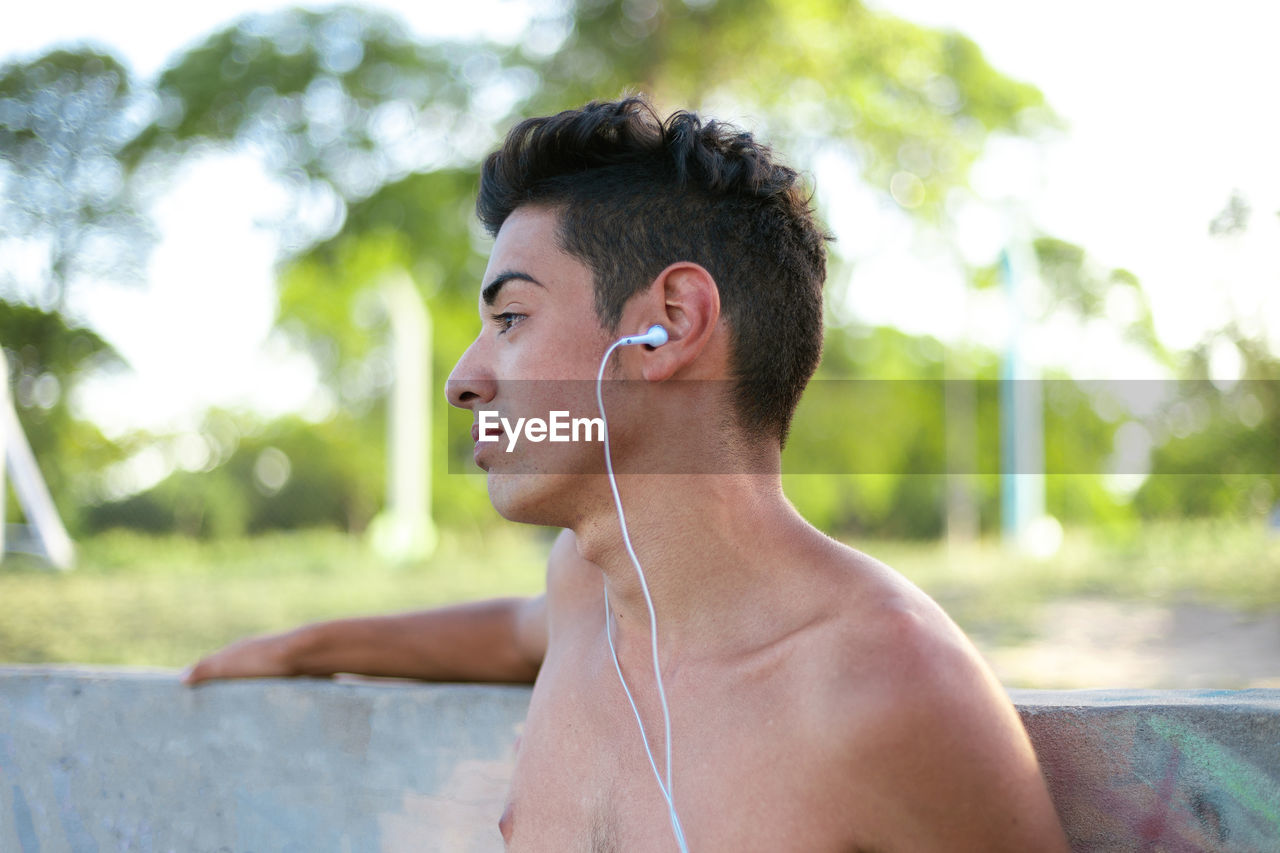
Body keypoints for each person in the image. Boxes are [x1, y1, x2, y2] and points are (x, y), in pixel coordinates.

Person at [185, 96, 1069, 851]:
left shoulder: (888, 686)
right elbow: (510, 632)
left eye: (513, 318)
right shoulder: (589, 593)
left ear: (669, 324)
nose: (463, 380)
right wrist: (305, 647)